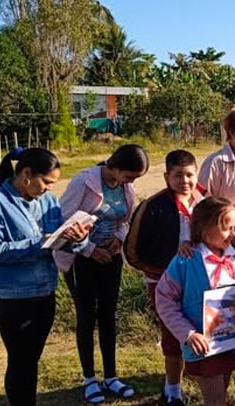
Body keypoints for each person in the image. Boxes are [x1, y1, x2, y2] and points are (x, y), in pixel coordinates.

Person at [0, 148, 90, 406]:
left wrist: (78, 239)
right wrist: (37, 243)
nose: (49, 189)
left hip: (45, 295)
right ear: (26, 174)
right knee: (21, 360)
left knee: (30, 360)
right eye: (46, 182)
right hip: (12, 300)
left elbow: (57, 242)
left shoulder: (48, 202)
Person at [55, 144, 149, 403]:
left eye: (135, 179)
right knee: (87, 316)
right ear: (116, 167)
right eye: (130, 176)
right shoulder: (83, 183)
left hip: (111, 257)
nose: (132, 182)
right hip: (80, 259)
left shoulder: (125, 186)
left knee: (109, 314)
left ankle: (111, 376)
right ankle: (89, 379)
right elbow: (61, 222)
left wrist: (119, 240)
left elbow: (123, 220)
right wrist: (89, 249)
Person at [155, 197, 235, 406]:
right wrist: (188, 334)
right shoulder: (185, 260)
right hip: (204, 348)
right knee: (215, 400)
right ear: (204, 228)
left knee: (221, 395)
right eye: (227, 228)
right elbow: (164, 299)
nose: (234, 233)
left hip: (230, 343)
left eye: (234, 227)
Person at [124, 150, 202, 406]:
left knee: (196, 332)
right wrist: (157, 268)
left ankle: (198, 380)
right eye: (178, 175)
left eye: (189, 174)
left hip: (196, 282)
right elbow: (135, 248)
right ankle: (173, 391)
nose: (184, 181)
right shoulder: (153, 206)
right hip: (162, 282)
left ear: (196, 174)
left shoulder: (204, 203)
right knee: (172, 336)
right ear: (167, 176)